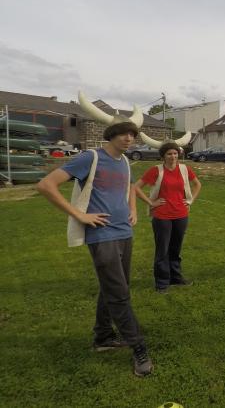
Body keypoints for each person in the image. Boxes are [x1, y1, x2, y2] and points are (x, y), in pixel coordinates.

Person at [36, 121, 153, 377]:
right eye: (124, 134)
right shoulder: (91, 157)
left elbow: (130, 188)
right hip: (102, 235)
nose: (129, 139)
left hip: (124, 231)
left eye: (133, 135)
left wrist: (133, 209)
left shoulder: (124, 162)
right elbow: (46, 185)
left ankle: (103, 337)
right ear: (111, 135)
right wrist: (80, 215)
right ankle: (138, 347)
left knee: (112, 287)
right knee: (119, 293)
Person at [133, 142, 201, 294]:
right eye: (169, 154)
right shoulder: (156, 170)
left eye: (175, 153)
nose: (173, 156)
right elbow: (136, 187)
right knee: (162, 250)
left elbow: (197, 184)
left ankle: (176, 278)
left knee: (175, 248)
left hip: (181, 214)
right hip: (162, 215)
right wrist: (151, 202)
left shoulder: (184, 169)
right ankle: (162, 283)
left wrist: (190, 200)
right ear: (163, 155)